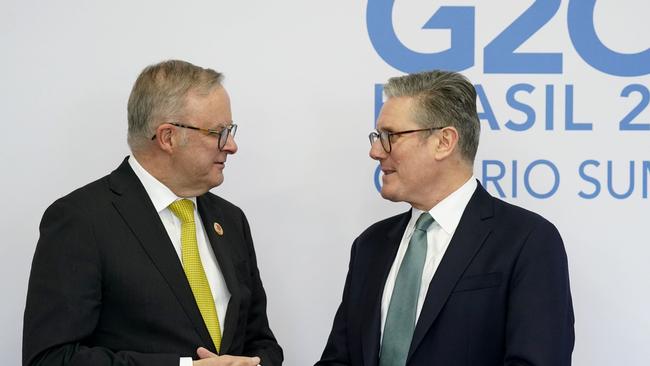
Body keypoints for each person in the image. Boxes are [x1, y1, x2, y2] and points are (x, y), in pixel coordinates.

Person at [23, 60, 282, 366]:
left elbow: (261, 342)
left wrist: (254, 363)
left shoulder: (230, 220)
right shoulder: (81, 220)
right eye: (219, 133)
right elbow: (51, 359)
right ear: (168, 137)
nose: (232, 146)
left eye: (230, 131)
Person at [316, 70, 574, 365]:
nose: (375, 151)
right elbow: (339, 359)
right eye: (377, 137)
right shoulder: (370, 245)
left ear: (444, 142)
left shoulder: (527, 241)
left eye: (390, 136)